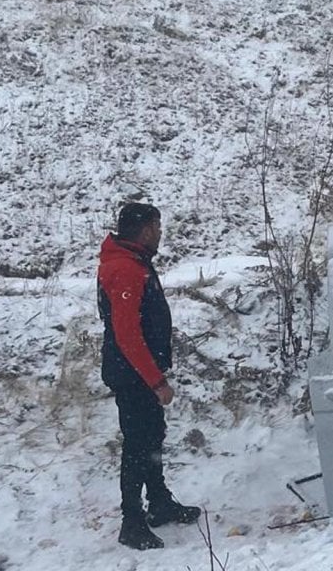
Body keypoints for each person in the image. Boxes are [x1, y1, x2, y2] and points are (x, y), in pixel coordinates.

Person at [98, 203, 201, 549]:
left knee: (152, 436)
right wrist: (155, 381)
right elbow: (127, 334)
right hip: (132, 375)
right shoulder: (125, 269)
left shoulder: (134, 261)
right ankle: (132, 521)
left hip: (139, 370)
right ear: (143, 230)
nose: (160, 233)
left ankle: (158, 502)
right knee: (138, 445)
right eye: (157, 227)